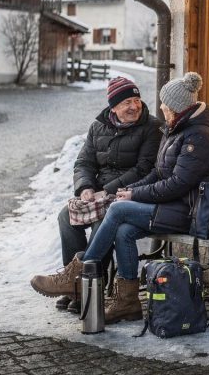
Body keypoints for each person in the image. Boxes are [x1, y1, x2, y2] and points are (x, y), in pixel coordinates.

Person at [30, 72, 209, 324]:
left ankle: (79, 275)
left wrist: (130, 193)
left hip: (192, 212)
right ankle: (128, 302)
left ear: (177, 107)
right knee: (122, 230)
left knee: (118, 210)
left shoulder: (197, 136)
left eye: (165, 104)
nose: (160, 108)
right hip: (173, 206)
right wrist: (109, 189)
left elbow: (176, 184)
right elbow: (157, 172)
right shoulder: (178, 130)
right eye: (127, 103)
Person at [35, 76, 161, 313]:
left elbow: (144, 169)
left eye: (137, 100)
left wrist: (108, 191)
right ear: (113, 107)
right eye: (127, 102)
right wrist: (85, 188)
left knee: (104, 221)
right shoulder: (98, 126)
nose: (134, 106)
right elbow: (84, 162)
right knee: (66, 217)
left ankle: (90, 283)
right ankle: (73, 286)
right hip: (98, 193)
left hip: (128, 193)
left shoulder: (151, 128)